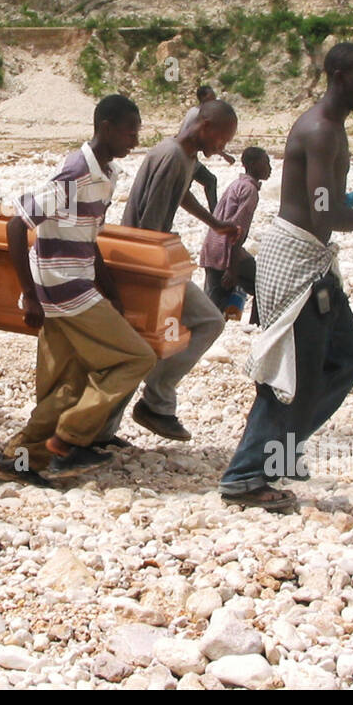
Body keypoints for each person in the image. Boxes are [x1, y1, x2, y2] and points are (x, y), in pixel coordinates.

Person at [218, 43, 353, 512]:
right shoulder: (322, 130)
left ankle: (277, 453)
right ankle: (246, 474)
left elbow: (325, 202)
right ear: (338, 76)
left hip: (312, 260)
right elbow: (322, 212)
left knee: (346, 358)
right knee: (292, 376)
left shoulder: (330, 129)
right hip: (296, 263)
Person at [0, 95, 157, 485]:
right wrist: (29, 294)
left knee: (67, 386)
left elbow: (87, 237)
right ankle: (70, 438)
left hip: (74, 286)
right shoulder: (75, 174)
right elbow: (17, 225)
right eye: (129, 130)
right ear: (105, 126)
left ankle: (18, 461)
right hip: (63, 291)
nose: (135, 140)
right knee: (136, 358)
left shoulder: (107, 175)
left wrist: (110, 288)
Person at [96, 100, 239, 445]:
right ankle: (155, 401)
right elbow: (149, 226)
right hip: (144, 266)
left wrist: (214, 223)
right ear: (205, 128)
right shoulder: (172, 157)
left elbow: (181, 194)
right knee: (202, 324)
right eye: (222, 140)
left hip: (152, 263)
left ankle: (106, 429)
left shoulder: (182, 156)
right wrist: (157, 277)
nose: (222, 148)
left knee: (142, 345)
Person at [201, 146, 271, 317]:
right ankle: (258, 325)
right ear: (253, 165)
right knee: (264, 287)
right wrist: (232, 269)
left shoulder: (237, 184)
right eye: (266, 163)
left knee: (211, 304)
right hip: (225, 252)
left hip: (213, 247)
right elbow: (237, 231)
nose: (270, 168)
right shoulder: (250, 190)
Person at [182, 85, 235, 212]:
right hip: (188, 159)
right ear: (202, 98)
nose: (213, 101)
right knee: (182, 191)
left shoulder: (199, 113)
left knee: (206, 182)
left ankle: (215, 215)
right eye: (211, 98)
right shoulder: (198, 114)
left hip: (191, 159)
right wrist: (225, 155)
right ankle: (215, 215)